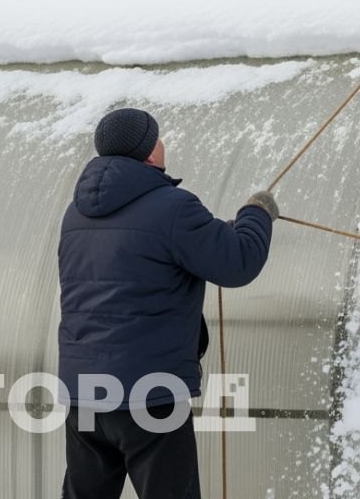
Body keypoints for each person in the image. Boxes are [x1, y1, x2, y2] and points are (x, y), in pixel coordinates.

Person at [57, 107, 278, 499]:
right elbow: (239, 262)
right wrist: (256, 214)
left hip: (85, 393)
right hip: (149, 394)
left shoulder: (75, 215)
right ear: (149, 152)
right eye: (158, 138)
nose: (162, 145)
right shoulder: (173, 207)